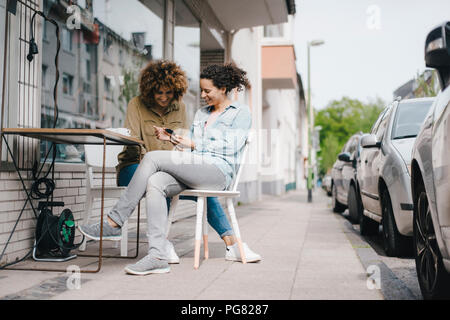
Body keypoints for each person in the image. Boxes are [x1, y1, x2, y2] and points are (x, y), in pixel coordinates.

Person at [80, 63, 261, 275]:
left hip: (218, 171)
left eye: (207, 91)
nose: (202, 95)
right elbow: (190, 143)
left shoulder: (240, 112)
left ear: (223, 88)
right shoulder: (202, 114)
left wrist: (192, 145)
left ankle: (114, 221)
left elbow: (229, 146)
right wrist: (173, 138)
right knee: (155, 182)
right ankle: (157, 255)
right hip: (195, 166)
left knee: (152, 158)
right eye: (201, 90)